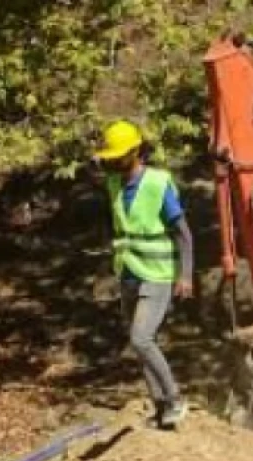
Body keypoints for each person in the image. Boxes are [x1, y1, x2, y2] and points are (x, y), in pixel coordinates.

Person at [94, 120, 194, 430]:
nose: (112, 161)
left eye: (118, 155)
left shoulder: (157, 183)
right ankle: (161, 410)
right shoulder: (113, 183)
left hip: (158, 273)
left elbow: (182, 233)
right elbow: (118, 227)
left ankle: (175, 399)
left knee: (141, 338)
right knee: (140, 344)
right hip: (128, 271)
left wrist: (186, 275)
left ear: (136, 152)